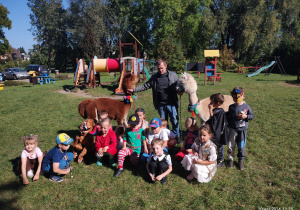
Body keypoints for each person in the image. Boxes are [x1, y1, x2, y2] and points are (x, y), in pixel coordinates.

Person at [128, 58, 181, 140]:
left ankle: (177, 136)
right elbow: (145, 86)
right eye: (159, 68)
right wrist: (134, 90)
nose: (160, 70)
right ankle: (165, 138)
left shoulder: (173, 75)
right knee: (163, 122)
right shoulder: (154, 77)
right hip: (161, 104)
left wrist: (180, 91)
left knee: (174, 120)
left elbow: (178, 86)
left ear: (166, 66)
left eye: (162, 68)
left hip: (172, 103)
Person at [226, 87, 254, 170]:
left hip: (242, 130)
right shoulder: (231, 107)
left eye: (238, 96)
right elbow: (228, 116)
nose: (236, 98)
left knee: (241, 146)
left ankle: (240, 161)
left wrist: (246, 116)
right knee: (230, 145)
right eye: (234, 96)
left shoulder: (246, 106)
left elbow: (252, 116)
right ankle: (230, 160)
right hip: (232, 129)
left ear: (243, 96)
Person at [206, 93, 228, 168]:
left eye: (212, 102)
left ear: (217, 103)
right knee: (212, 145)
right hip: (215, 131)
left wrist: (210, 110)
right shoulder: (216, 110)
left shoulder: (220, 112)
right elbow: (212, 120)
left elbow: (213, 121)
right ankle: (212, 157)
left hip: (219, 133)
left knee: (220, 147)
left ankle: (221, 160)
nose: (210, 103)